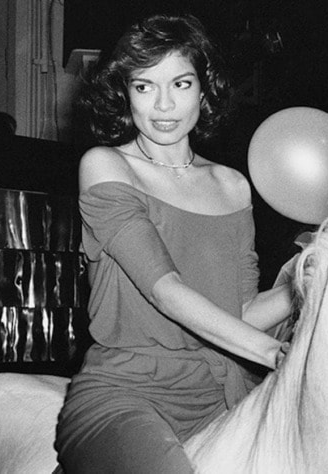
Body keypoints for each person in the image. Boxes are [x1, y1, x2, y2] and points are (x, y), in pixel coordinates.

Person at [55, 14, 294, 473]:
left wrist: (308, 281)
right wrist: (271, 353)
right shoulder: (106, 166)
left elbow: (239, 315)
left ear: (204, 92)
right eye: (144, 87)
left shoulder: (232, 186)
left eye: (180, 84)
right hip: (127, 393)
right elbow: (165, 289)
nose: (163, 105)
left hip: (219, 393)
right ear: (125, 95)